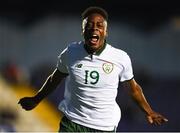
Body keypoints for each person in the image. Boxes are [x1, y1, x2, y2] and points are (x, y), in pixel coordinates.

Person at [18, 6, 168, 132]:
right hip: (72, 123)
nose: (94, 28)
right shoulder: (70, 52)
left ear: (105, 31)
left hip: (104, 126)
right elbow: (54, 79)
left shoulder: (120, 57)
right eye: (89, 25)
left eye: (99, 25)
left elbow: (133, 89)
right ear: (83, 31)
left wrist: (149, 111)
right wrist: (36, 99)